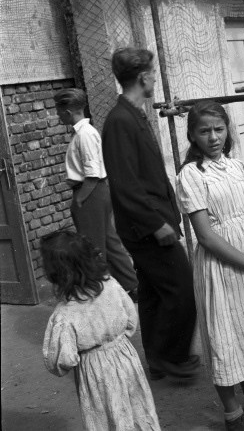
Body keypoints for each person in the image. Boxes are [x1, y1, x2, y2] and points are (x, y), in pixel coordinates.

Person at [175, 101, 244, 431]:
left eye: (219, 129)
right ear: (192, 135)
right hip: (221, 267)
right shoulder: (191, 175)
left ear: (228, 130)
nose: (213, 137)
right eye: (204, 131)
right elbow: (206, 236)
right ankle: (233, 415)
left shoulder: (237, 166)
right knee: (225, 336)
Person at [102, 47, 198, 380]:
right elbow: (125, 184)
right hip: (145, 227)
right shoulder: (119, 120)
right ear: (143, 77)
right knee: (182, 288)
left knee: (155, 291)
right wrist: (157, 224)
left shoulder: (132, 114)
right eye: (153, 73)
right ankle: (172, 356)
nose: (155, 78)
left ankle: (158, 359)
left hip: (150, 221)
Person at [41, 230, 160, 431]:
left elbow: (62, 360)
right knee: (137, 409)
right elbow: (131, 320)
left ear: (56, 274)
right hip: (126, 358)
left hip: (96, 373)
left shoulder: (64, 315)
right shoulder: (111, 285)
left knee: (107, 417)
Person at [53, 88, 139, 301]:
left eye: (59, 111)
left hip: (90, 192)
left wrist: (79, 200)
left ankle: (101, 295)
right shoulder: (84, 133)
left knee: (92, 246)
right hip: (96, 191)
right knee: (109, 242)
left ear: (68, 111)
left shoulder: (85, 135)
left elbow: (92, 174)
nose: (57, 115)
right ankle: (133, 286)